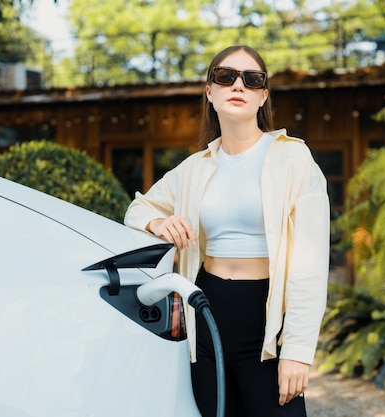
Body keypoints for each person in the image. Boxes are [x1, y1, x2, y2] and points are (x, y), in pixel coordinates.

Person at [124, 45, 330, 417]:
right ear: (210, 92)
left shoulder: (293, 158)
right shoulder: (194, 167)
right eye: (225, 76)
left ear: (263, 95)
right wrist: (158, 222)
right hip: (206, 312)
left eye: (252, 79)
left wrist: (298, 352)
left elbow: (310, 265)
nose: (239, 85)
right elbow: (138, 208)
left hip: (266, 320)